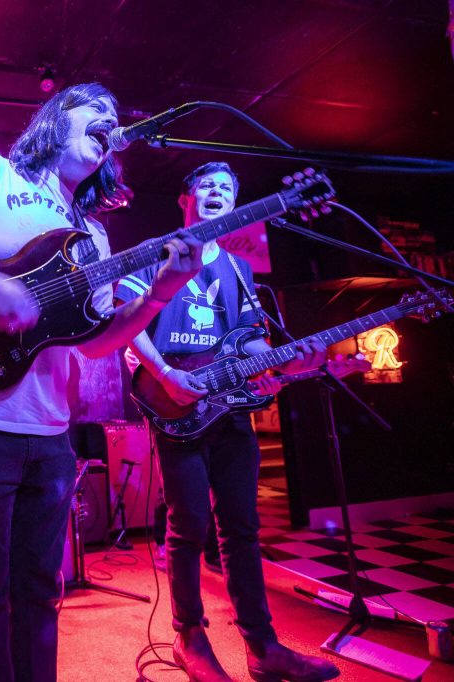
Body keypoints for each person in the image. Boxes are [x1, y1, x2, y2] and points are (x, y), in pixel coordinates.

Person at [0, 82, 204, 681]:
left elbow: (99, 343)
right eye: (95, 111)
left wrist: (162, 290)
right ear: (57, 119)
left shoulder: (96, 237)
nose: (108, 123)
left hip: (51, 430)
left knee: (39, 595)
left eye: (115, 119)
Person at [115, 162, 339, 682]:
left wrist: (286, 361)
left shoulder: (237, 269)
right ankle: (188, 638)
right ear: (185, 198)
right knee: (188, 524)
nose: (217, 193)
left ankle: (263, 648)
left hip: (230, 409)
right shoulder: (158, 252)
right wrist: (166, 373)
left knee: (241, 528)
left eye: (227, 189)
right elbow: (129, 321)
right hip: (175, 400)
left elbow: (252, 343)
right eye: (207, 186)